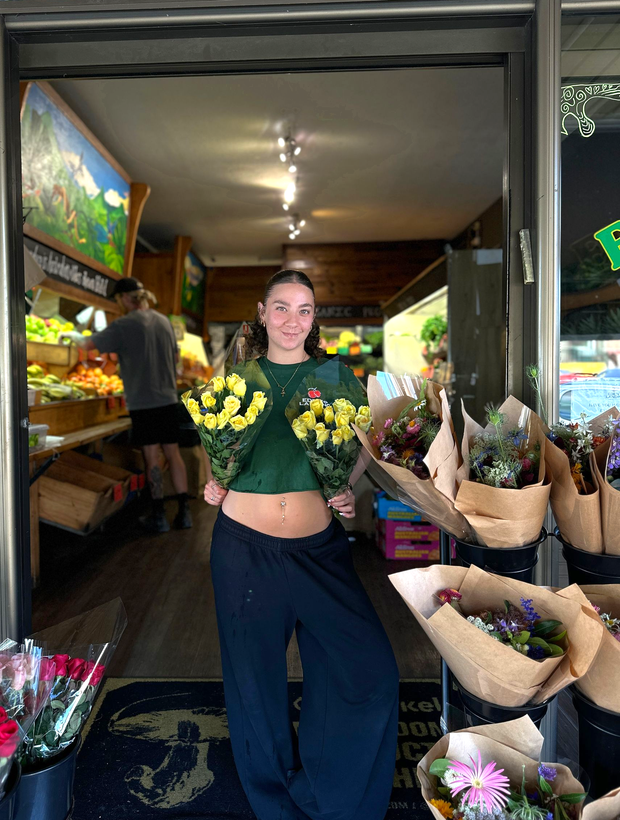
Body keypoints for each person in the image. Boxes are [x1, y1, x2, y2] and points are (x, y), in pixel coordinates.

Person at [204, 270, 399, 820]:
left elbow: (368, 438)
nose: (294, 320)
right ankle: (274, 805)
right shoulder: (238, 377)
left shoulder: (335, 375)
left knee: (369, 671)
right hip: (243, 550)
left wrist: (347, 485)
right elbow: (216, 442)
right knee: (254, 686)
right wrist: (214, 479)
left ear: (315, 319)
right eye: (283, 308)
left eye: (305, 310)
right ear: (262, 313)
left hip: (319, 551)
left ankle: (328, 795)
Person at [61, 277, 192, 533]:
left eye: (117, 300)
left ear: (123, 298)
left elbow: (88, 345)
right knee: (173, 454)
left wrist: (70, 334)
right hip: (168, 398)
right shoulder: (163, 321)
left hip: (143, 402)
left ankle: (159, 515)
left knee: (152, 456)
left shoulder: (123, 324)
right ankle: (185, 513)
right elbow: (174, 358)